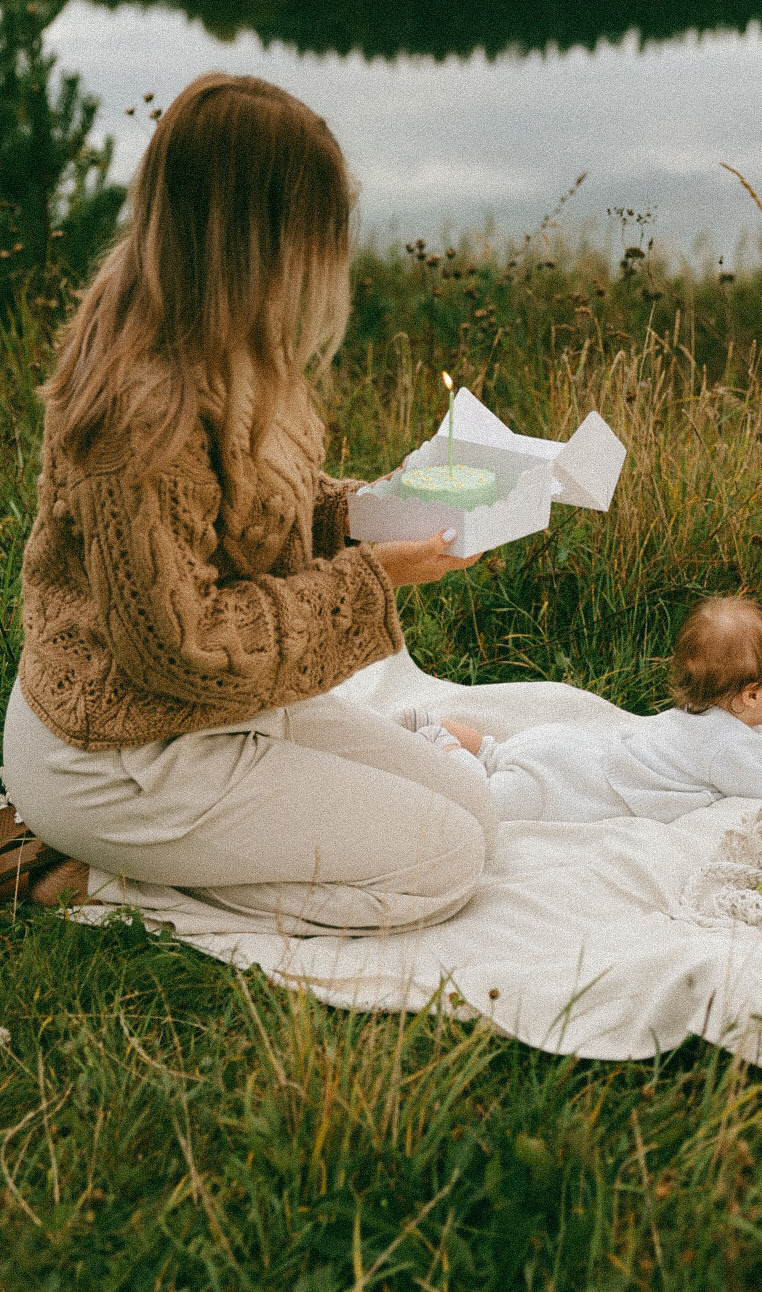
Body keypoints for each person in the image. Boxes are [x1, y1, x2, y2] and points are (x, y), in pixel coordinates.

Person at [0, 73, 496, 929]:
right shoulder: (139, 412)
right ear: (251, 240)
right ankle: (78, 873)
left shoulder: (211, 331)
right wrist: (369, 578)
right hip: (118, 753)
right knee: (443, 865)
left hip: (207, 715)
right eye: (313, 235)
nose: (325, 262)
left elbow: (237, 515)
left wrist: (361, 514)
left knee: (474, 811)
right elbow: (178, 647)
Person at [412, 596, 762, 822]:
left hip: (564, 748)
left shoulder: (696, 717)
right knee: (485, 801)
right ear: (749, 695)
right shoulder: (728, 744)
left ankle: (432, 726)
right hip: (565, 784)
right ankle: (444, 745)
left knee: (494, 752)